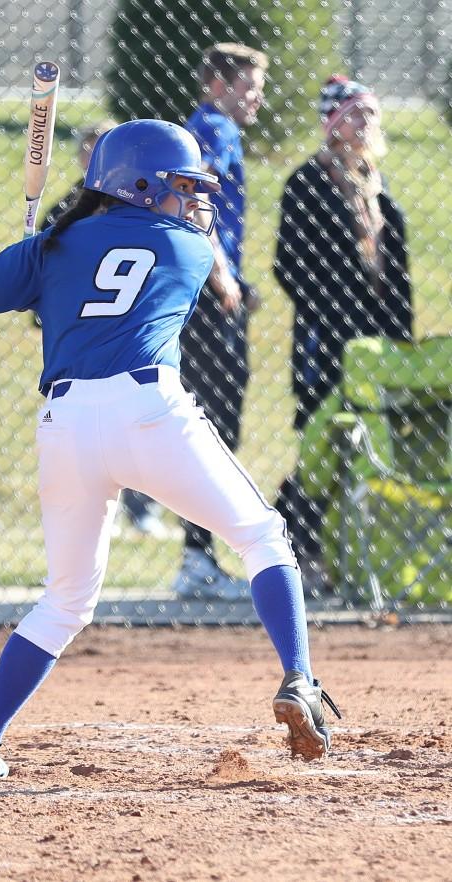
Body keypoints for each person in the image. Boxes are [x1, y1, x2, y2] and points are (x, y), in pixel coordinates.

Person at [0, 120, 341, 780]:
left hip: (66, 426)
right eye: (181, 186)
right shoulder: (189, 249)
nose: (194, 201)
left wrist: (31, 260)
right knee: (263, 536)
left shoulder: (57, 244)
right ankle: (299, 676)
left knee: (66, 601)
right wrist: (49, 265)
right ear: (141, 184)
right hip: (148, 414)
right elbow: (127, 276)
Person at [273, 75, 413, 588]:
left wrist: (399, 335)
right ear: (333, 124)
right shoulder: (308, 183)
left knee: (365, 445)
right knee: (320, 445)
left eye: (371, 114)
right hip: (325, 339)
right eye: (356, 114)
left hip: (373, 343)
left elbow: (394, 272)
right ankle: (293, 545)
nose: (367, 124)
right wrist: (335, 311)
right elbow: (289, 267)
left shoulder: (375, 185)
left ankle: (344, 554)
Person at [39, 120, 168, 539]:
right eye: (91, 152)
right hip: (79, 347)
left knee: (137, 430)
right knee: (82, 434)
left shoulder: (144, 209)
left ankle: (141, 507)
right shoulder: (65, 210)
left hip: (131, 343)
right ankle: (90, 511)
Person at [173, 42, 269, 601]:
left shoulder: (210, 126)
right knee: (214, 424)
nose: (256, 97)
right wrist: (223, 275)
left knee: (216, 423)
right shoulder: (213, 127)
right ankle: (196, 557)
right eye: (248, 86)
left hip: (213, 286)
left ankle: (198, 553)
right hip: (210, 295)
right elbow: (194, 200)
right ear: (218, 85)